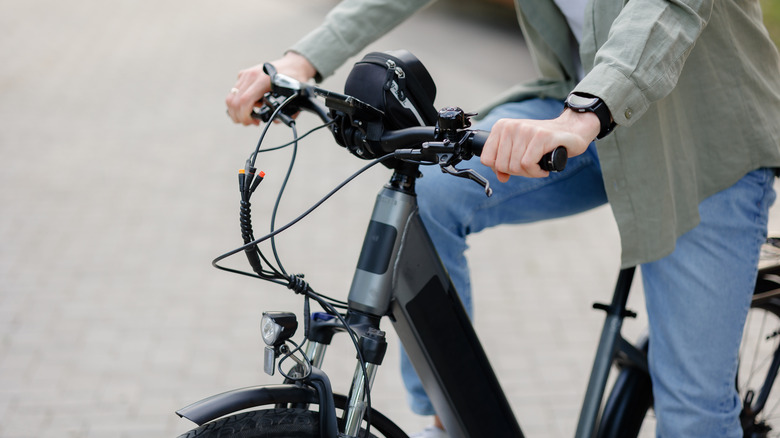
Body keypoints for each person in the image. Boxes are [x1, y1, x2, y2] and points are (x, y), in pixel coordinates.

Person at [225, 0, 780, 436]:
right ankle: (447, 417)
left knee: (692, 414)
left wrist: (586, 111)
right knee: (435, 190)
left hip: (700, 146)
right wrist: (304, 59)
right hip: (575, 117)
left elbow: (669, 5)